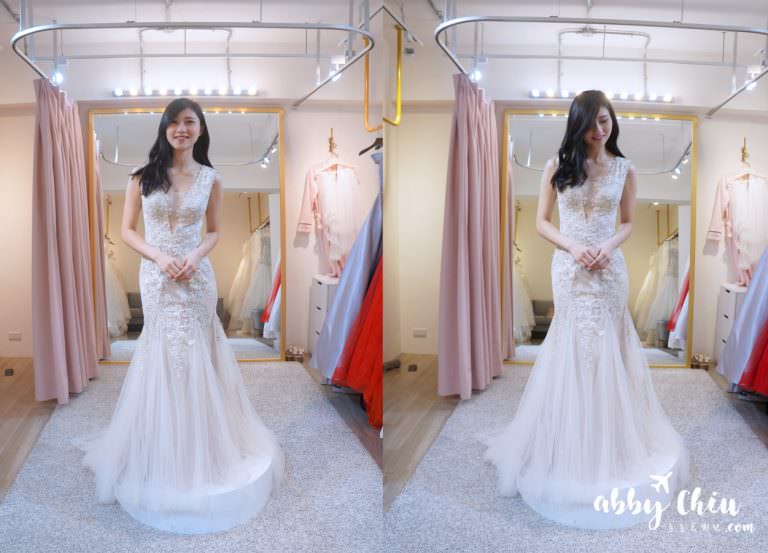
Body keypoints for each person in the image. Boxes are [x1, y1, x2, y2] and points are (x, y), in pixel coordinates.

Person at [484, 91, 689, 529]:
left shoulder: (625, 168)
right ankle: (566, 439)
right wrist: (574, 247)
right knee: (572, 345)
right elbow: (542, 221)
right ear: (577, 124)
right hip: (570, 267)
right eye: (592, 122)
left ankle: (613, 442)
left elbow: (628, 222)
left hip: (610, 270)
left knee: (611, 347)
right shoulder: (557, 166)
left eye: (605, 121)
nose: (600, 130)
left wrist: (607, 247)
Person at [78, 98, 284, 534]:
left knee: (197, 355)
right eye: (173, 123)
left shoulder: (212, 178)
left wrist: (194, 256)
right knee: (162, 352)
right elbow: (127, 230)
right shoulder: (141, 176)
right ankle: (160, 444)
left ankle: (204, 446)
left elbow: (215, 231)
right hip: (156, 278)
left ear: (201, 129)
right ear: (164, 129)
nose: (181, 129)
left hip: (196, 277)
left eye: (189, 122)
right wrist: (157, 256)